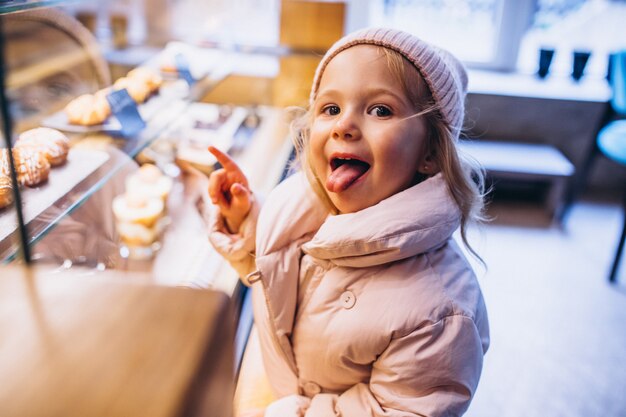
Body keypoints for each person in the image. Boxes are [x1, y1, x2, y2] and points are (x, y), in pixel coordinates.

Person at [206, 28, 490, 417]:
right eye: (331, 109)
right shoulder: (308, 210)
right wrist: (249, 224)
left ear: (430, 152)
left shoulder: (441, 312)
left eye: (380, 110)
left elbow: (402, 409)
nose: (344, 126)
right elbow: (295, 284)